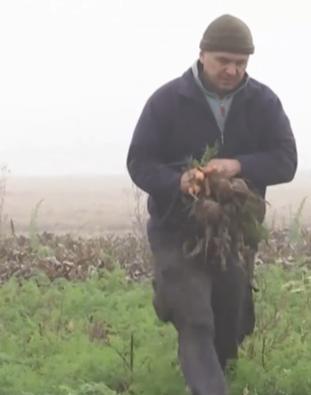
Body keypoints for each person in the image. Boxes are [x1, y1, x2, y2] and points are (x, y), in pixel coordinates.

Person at [126, 14, 298, 395]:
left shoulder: (263, 102)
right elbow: (139, 162)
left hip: (234, 229)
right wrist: (179, 181)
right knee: (194, 315)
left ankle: (213, 373)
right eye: (224, 60)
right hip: (177, 228)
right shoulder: (168, 101)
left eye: (241, 63)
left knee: (229, 315)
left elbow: (286, 160)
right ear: (202, 55)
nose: (232, 70)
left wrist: (238, 165)